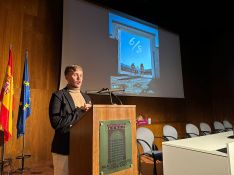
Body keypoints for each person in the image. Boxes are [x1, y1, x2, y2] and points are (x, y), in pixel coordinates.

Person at [49, 65, 92, 175]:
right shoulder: (58, 96)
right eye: (75, 75)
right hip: (63, 147)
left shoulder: (87, 98)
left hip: (82, 147)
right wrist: (80, 111)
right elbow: (56, 123)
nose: (79, 78)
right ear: (67, 77)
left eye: (81, 75)